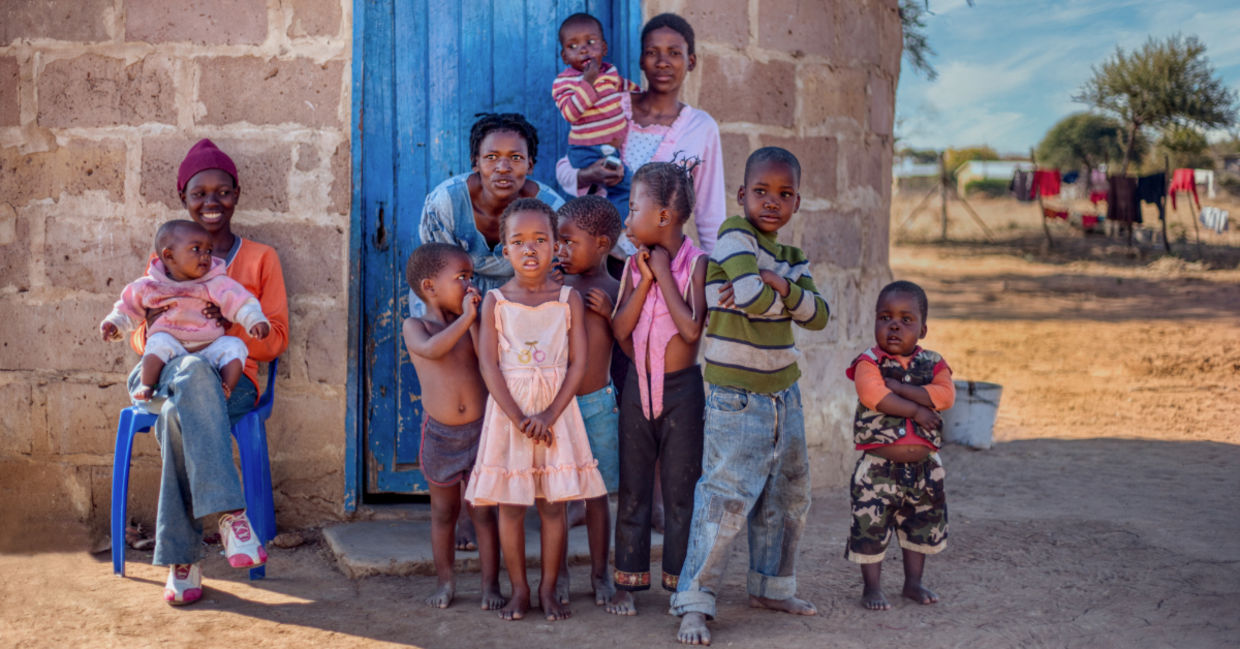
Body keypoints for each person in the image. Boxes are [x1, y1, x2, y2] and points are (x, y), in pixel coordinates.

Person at [671, 147, 829, 645]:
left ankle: (770, 586)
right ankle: (694, 603)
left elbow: (820, 316)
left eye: (784, 195)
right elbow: (750, 298)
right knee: (725, 498)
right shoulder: (733, 235)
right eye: (761, 191)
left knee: (787, 495)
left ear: (797, 203)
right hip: (736, 396)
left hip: (785, 393)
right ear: (742, 195)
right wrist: (785, 297)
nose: (771, 202)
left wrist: (778, 283)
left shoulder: (792, 257)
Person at [125, 138, 289, 606]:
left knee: (182, 413)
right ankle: (231, 517)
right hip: (159, 377)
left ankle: (183, 561)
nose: (211, 202)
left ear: (237, 195)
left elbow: (276, 337)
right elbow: (141, 334)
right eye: (199, 194)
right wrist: (169, 333)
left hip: (231, 379)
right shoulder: (165, 260)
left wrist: (223, 326)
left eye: (222, 192)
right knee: (188, 375)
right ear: (184, 199)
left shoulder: (260, 259)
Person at [464, 198, 607, 622]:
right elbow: (488, 365)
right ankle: (519, 591)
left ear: (555, 247)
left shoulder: (567, 299)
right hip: (510, 417)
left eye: (541, 240)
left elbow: (578, 363)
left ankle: (548, 589)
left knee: (552, 505)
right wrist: (517, 417)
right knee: (510, 505)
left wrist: (548, 416)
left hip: (556, 415)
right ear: (504, 250)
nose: (530, 250)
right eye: (519, 241)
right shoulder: (495, 302)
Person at [607, 161, 708, 616]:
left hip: (681, 393)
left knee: (681, 490)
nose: (627, 220)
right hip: (636, 388)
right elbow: (620, 332)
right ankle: (627, 582)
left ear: (664, 216)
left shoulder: (698, 265)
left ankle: (681, 583)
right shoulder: (633, 266)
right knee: (633, 489)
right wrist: (645, 277)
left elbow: (690, 330)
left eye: (633, 208)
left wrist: (663, 275)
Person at [557, 12, 725, 257]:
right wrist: (588, 175)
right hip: (600, 258)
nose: (662, 61)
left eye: (674, 52)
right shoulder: (612, 104)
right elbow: (564, 167)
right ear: (641, 61)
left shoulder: (701, 127)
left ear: (691, 61)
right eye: (652, 52)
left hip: (660, 266)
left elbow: (711, 214)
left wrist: (716, 274)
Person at [400, 243, 504, 611]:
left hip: (480, 433)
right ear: (429, 287)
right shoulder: (415, 326)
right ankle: (445, 582)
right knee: (444, 513)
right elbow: (432, 350)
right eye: (461, 278)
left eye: (470, 277)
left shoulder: (470, 324)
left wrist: (474, 322)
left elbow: (484, 358)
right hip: (441, 437)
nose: (469, 285)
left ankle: (490, 585)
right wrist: (464, 320)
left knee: (484, 513)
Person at [844, 280, 955, 611]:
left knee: (921, 526)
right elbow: (873, 395)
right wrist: (919, 409)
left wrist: (901, 389)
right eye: (885, 317)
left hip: (925, 470)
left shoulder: (934, 362)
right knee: (871, 527)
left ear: (923, 330)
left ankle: (913, 583)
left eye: (907, 320)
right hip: (878, 468)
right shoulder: (868, 362)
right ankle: (872, 588)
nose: (894, 325)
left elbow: (946, 396)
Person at [102, 220, 270, 402]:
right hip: (172, 352)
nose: (205, 256)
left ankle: (226, 387)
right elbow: (127, 308)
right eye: (196, 250)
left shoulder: (216, 282)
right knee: (158, 342)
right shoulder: (150, 286)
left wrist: (254, 320)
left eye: (208, 251)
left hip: (209, 348)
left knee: (235, 347)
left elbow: (241, 302)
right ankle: (148, 386)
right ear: (169, 256)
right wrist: (114, 324)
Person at [415, 113, 565, 316]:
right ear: (475, 162)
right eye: (491, 157)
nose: (503, 168)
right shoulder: (445, 203)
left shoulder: (551, 209)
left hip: (523, 292)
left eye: (516, 157)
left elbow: (555, 274)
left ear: (530, 165)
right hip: (454, 288)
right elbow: (437, 270)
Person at [555, 196, 623, 606]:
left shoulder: (613, 289)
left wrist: (613, 313)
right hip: (558, 408)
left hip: (598, 405)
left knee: (597, 496)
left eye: (568, 242)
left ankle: (601, 575)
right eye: (557, 242)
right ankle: (558, 572)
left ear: (601, 244)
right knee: (559, 497)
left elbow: (632, 343)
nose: (559, 250)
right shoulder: (554, 287)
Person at [552, 13, 640, 216]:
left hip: (611, 148)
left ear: (604, 48)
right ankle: (614, 226)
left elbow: (625, 87)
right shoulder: (564, 82)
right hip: (587, 150)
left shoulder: (610, 72)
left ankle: (609, 223)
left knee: (615, 187)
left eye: (591, 42)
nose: (583, 49)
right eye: (573, 46)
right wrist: (588, 82)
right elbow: (570, 113)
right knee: (624, 185)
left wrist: (645, 96)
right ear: (564, 56)